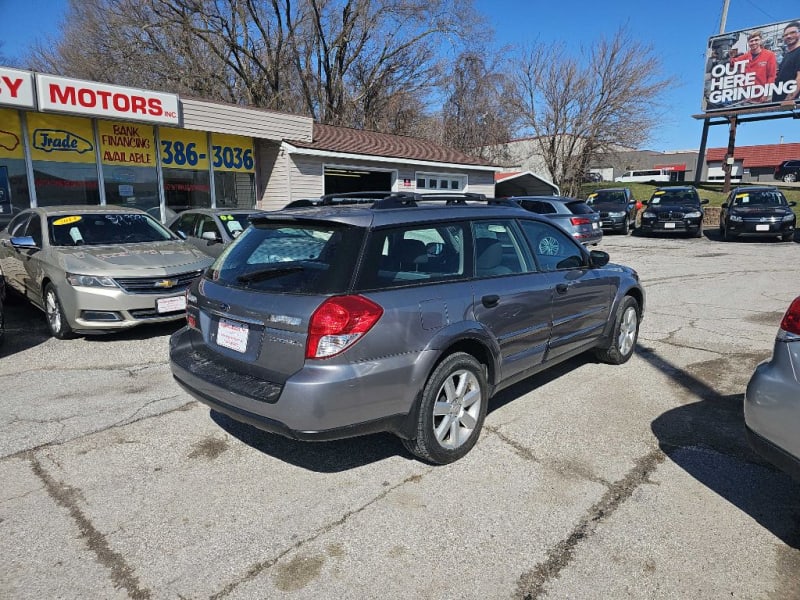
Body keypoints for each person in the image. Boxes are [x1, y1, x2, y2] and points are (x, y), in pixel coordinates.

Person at [738, 30, 777, 103]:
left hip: (764, 97)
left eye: (756, 40)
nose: (754, 43)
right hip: (748, 97)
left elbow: (771, 76)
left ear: (760, 41)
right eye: (751, 41)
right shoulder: (744, 57)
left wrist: (766, 94)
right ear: (748, 43)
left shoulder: (769, 55)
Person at [775, 21, 800, 102]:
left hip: (790, 105)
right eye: (785, 35)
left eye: (793, 33)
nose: (788, 36)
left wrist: (788, 100)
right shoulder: (787, 55)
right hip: (778, 104)